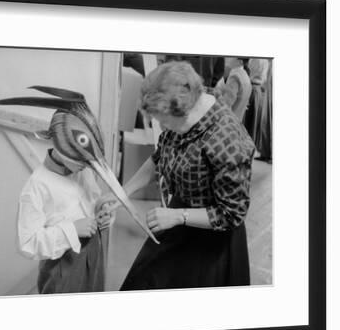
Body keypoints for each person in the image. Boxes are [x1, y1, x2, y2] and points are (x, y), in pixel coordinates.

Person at [103, 61, 255, 289]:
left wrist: (178, 216)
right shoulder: (185, 119)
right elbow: (159, 158)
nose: (162, 128)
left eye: (164, 122)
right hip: (179, 220)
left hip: (211, 243)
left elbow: (231, 214)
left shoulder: (226, 140)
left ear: (184, 110)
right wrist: (121, 194)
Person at [17, 146, 114, 294]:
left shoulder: (83, 168)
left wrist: (101, 210)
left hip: (94, 255)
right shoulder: (37, 185)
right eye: (81, 160)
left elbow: (93, 198)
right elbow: (27, 243)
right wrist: (72, 230)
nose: (86, 165)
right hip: (62, 267)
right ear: (61, 146)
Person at [245, 58, 272, 161]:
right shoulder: (264, 61)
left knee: (250, 122)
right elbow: (264, 79)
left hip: (253, 89)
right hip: (258, 90)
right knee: (255, 122)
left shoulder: (256, 59)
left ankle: (248, 150)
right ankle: (251, 149)